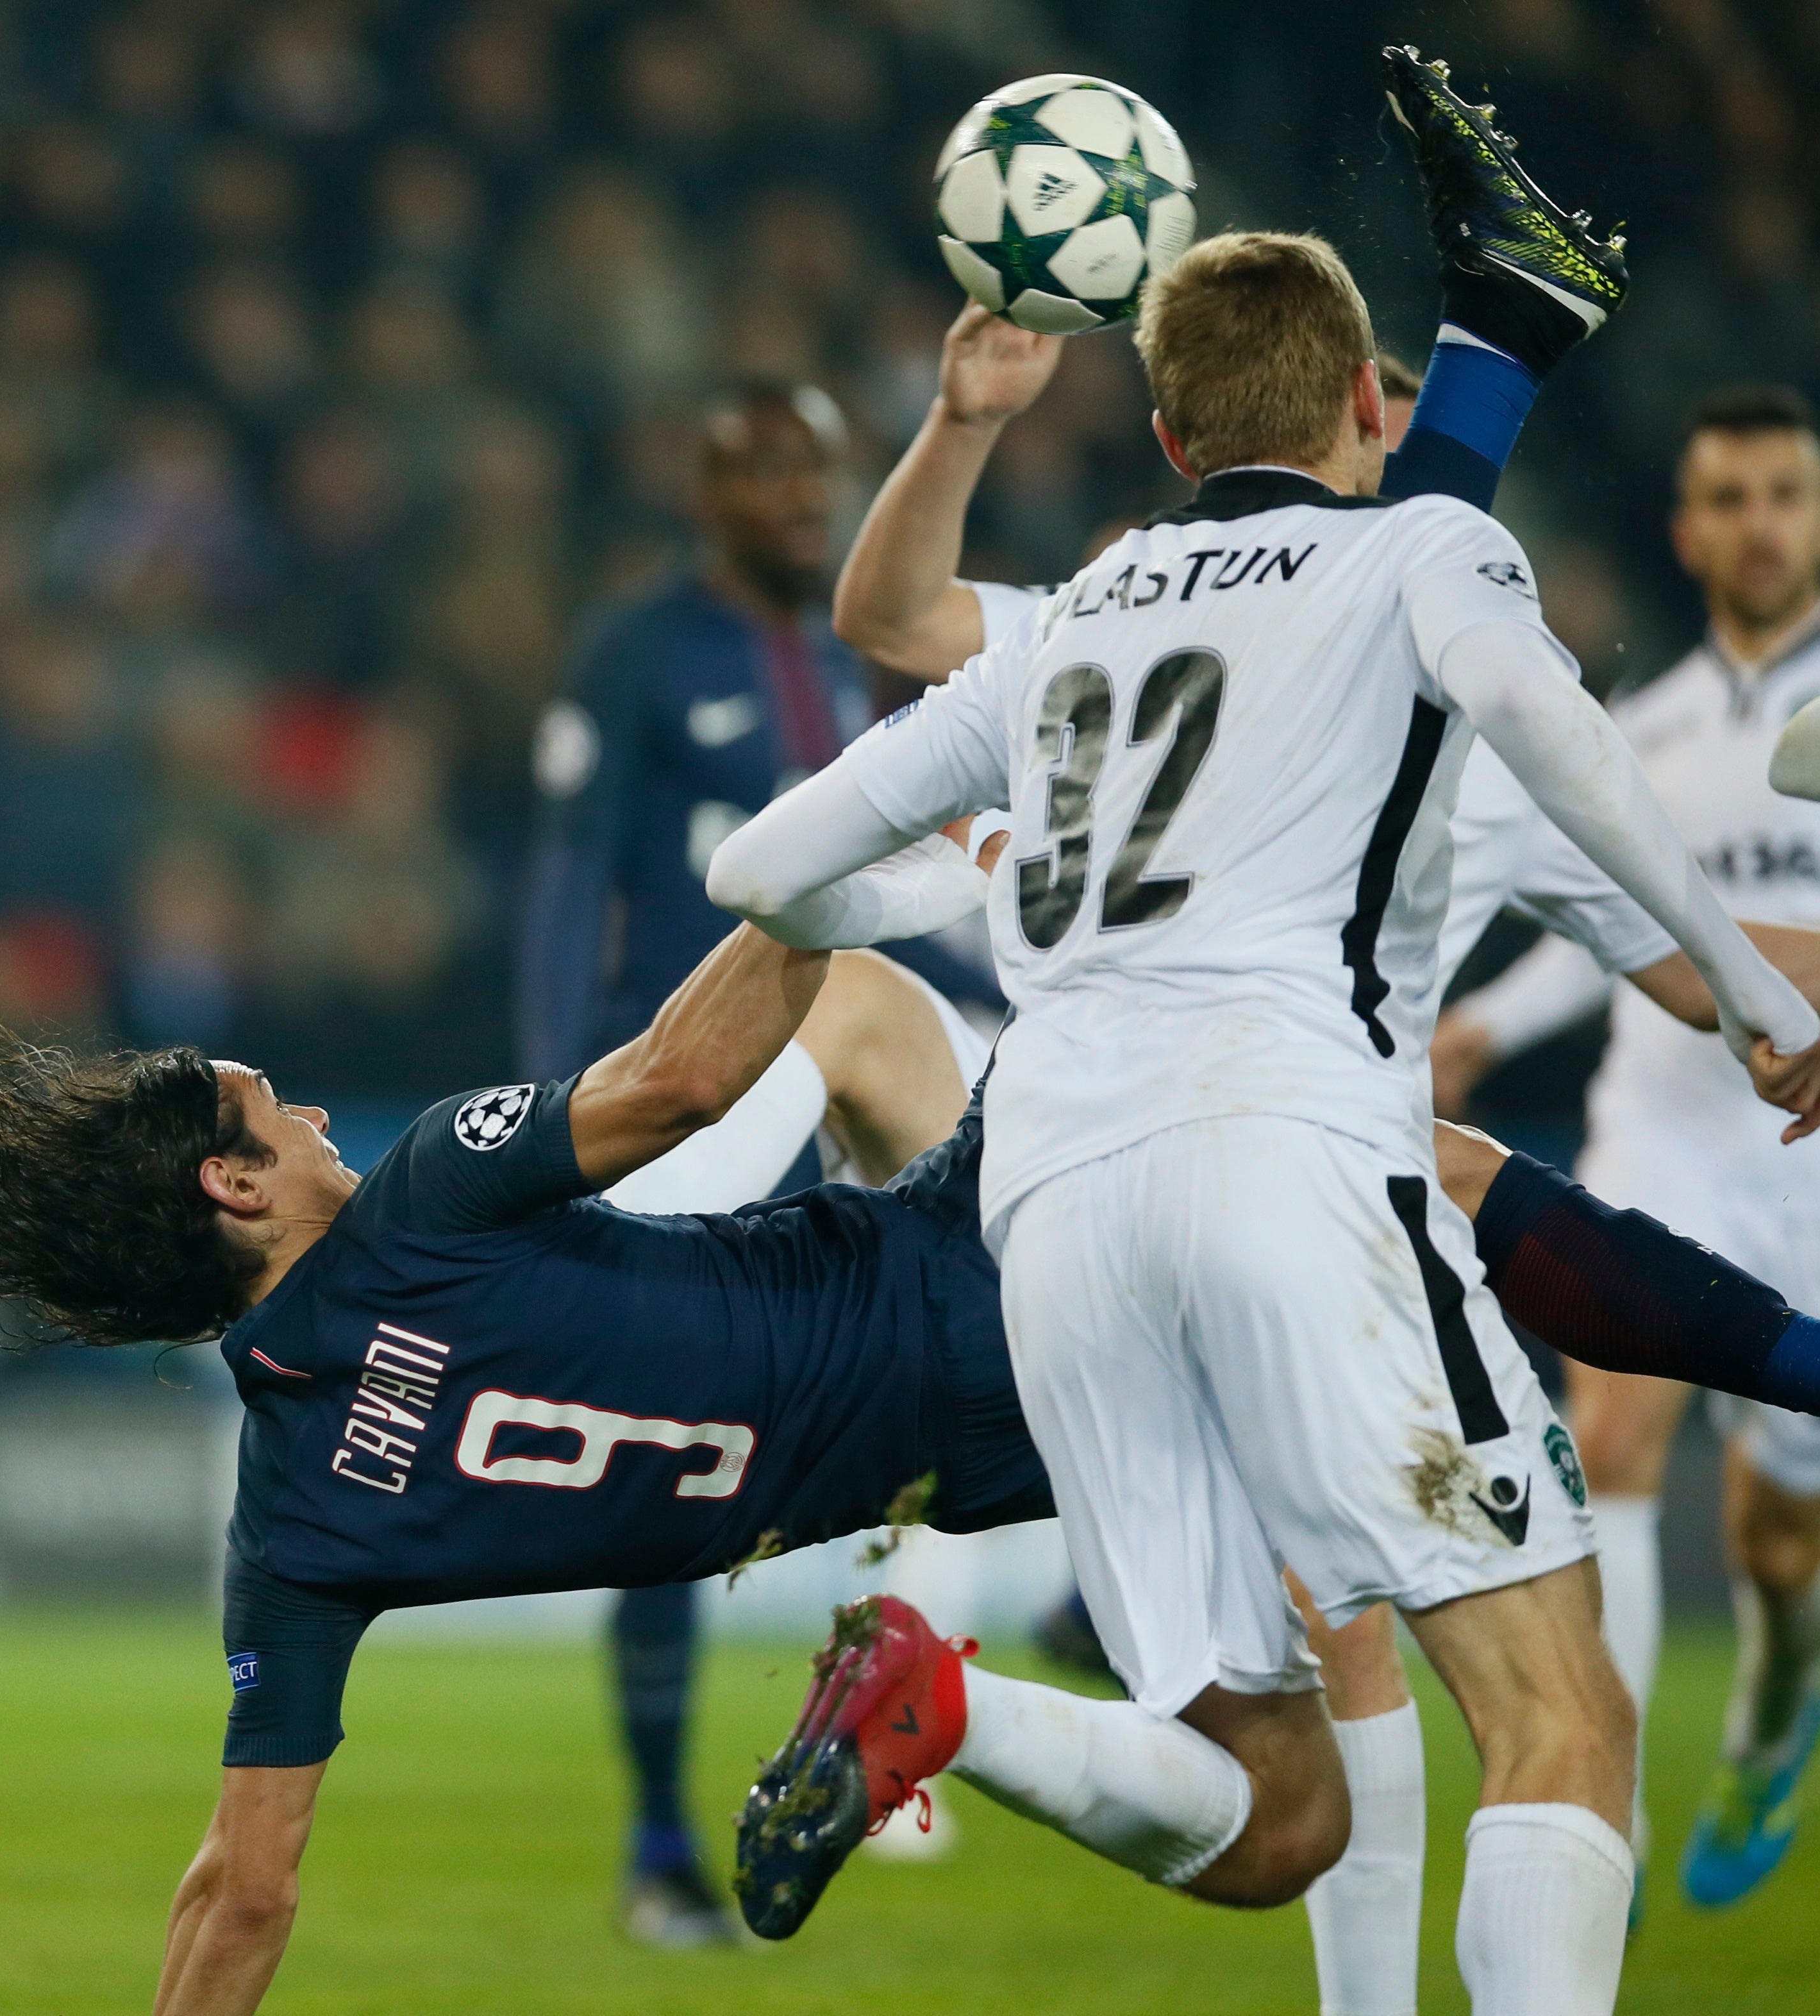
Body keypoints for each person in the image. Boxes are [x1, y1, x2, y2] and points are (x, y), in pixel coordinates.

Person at [0, 882, 1820, 2016]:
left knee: (1281, 1804)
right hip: (968, 1265)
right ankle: (1800, 1359)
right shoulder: (420, 1196)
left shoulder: (289, 1530)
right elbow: (686, 1074)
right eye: (260, 1107)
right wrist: (825, 841)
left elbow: (246, 1885)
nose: (297, 1105)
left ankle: (946, 1705)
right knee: (1418, 1175)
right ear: (231, 1184)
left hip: (939, 1453)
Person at [709, 160, 1820, 2016]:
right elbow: (1548, 718)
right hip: (1296, 1150)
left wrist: (951, 883)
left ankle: (946, 1700)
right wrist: (1742, 983)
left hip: (1055, 1217)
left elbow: (760, 872)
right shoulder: (1417, 555)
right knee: (1557, 1719)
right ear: (1373, 409)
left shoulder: (1067, 618)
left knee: (1267, 1800)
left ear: (1157, 427)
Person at [515, 375, 994, 1942]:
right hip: (691, 1099)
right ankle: (659, 1845)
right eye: (768, 472)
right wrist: (553, 1107)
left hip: (866, 1050)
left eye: (819, 471)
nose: (801, 498)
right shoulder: (640, 649)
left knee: (981, 1337)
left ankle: (982, 1666)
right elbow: (568, 878)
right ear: (708, 492)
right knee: (659, 1455)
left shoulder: (881, 648)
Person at [1434, 382, 1820, 1911]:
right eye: (1728, 498)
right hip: (1665, 1117)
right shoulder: (1629, 731)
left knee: (1781, 1546)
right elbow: (1602, 919)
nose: (1757, 523)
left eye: (1783, 492)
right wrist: (1487, 1028)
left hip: (1802, 1127)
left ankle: (1776, 1712)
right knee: (1615, 1437)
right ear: (1689, 531)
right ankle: (1611, 1806)